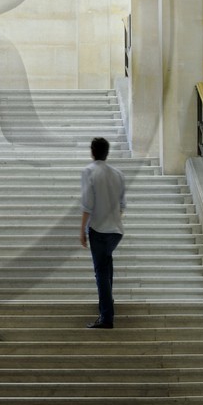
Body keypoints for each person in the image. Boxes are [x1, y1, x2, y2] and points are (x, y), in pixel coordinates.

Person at [80, 135, 125, 329]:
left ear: (92, 152)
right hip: (115, 230)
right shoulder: (117, 173)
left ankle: (106, 316)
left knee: (101, 272)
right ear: (107, 153)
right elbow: (122, 205)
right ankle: (106, 306)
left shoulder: (89, 171)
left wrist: (82, 230)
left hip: (98, 229)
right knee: (107, 268)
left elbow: (87, 204)